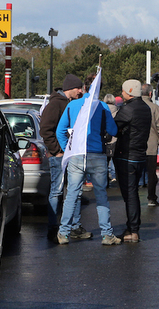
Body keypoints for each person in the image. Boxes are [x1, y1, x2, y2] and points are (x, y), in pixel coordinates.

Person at [56, 74, 122, 246]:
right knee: (101, 195)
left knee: (71, 194)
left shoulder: (72, 105)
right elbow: (113, 130)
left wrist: (67, 149)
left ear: (83, 88)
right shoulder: (102, 106)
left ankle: (63, 233)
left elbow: (60, 131)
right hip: (97, 155)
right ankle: (107, 235)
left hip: (77, 155)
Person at [39, 73, 83, 242]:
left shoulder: (68, 103)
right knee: (57, 192)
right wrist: (57, 150)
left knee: (73, 191)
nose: (80, 91)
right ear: (70, 88)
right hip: (59, 156)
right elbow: (45, 130)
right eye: (78, 88)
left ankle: (73, 227)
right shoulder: (56, 104)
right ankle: (52, 228)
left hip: (70, 154)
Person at [113, 79, 152, 242]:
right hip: (140, 155)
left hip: (126, 155)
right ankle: (132, 227)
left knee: (129, 194)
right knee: (133, 192)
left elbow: (114, 128)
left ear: (128, 92)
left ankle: (132, 230)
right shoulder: (145, 108)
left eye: (123, 91)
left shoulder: (128, 109)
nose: (121, 94)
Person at [141, 83, 159, 207]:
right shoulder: (155, 108)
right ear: (150, 94)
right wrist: (157, 139)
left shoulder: (131, 106)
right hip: (151, 145)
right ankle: (151, 197)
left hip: (135, 147)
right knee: (151, 173)